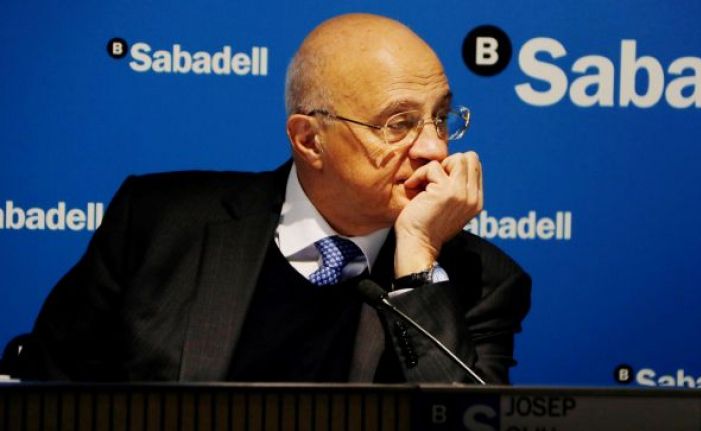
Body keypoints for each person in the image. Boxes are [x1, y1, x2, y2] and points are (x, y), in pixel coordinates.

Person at [15, 13, 530, 384]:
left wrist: (417, 263)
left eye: (440, 117)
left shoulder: (478, 280)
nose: (435, 148)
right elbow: (42, 399)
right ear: (310, 140)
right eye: (399, 124)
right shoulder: (157, 224)